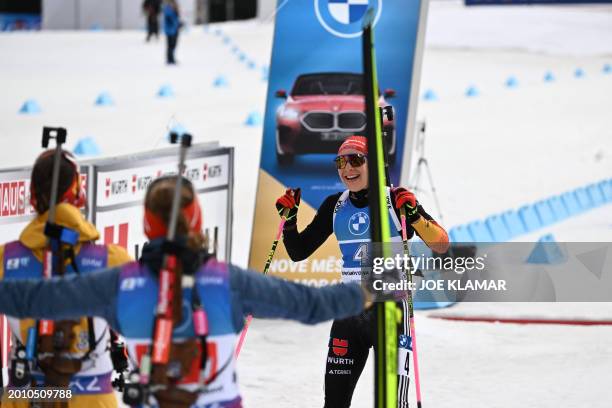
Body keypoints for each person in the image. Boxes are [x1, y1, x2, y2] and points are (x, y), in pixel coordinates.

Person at [0, 176, 371, 408]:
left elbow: (31, 299)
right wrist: (370, 290)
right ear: (196, 221)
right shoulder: (229, 281)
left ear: (147, 226)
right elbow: (313, 305)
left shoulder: (118, 282)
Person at [275, 135, 450, 408]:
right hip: (348, 311)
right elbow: (299, 252)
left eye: (356, 160)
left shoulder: (395, 200)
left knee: (391, 402)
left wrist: (414, 215)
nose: (347, 169)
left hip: (389, 310)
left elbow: (440, 243)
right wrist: (289, 220)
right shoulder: (336, 205)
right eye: (341, 162)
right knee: (334, 402)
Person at [0, 150, 132, 408]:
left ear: (33, 197)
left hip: (26, 396)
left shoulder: (6, 259)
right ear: (79, 196)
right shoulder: (113, 260)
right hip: (92, 396)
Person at [162, 0, 181, 64]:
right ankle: (170, 59)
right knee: (170, 45)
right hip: (170, 30)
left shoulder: (175, 9)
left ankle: (171, 58)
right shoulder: (168, 9)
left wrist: (179, 24)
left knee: (173, 45)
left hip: (175, 29)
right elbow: (169, 19)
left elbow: (176, 19)